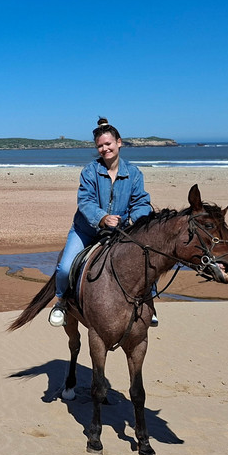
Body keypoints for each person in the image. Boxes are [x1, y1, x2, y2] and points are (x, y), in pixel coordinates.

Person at [49, 117, 154, 327]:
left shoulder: (134, 173)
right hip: (86, 230)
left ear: (119, 142)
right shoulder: (90, 171)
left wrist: (136, 220)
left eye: (108, 144)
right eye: (100, 146)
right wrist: (103, 218)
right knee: (65, 268)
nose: (105, 149)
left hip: (120, 231)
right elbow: (85, 201)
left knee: (148, 261)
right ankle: (61, 301)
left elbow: (141, 202)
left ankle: (148, 304)